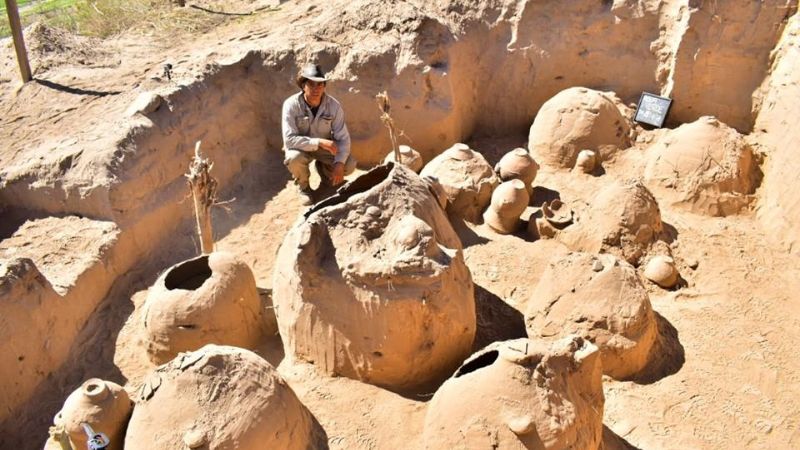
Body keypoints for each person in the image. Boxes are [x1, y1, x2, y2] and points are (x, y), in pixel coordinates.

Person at [281, 63, 357, 204]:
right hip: (301, 149)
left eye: (320, 84)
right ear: (303, 86)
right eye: (311, 84)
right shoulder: (291, 105)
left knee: (349, 164)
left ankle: (327, 178)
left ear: (324, 86)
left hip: (325, 149)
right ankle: (304, 188)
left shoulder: (334, 106)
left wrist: (339, 163)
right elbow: (289, 140)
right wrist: (318, 142)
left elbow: (343, 138)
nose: (316, 89)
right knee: (294, 158)